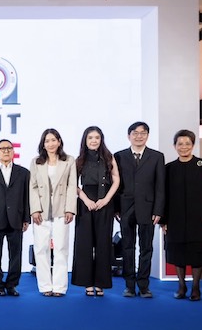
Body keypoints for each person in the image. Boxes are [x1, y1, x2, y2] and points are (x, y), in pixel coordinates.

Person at [162, 129, 202, 301]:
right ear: (174, 146)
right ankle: (181, 286)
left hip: (199, 217)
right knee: (178, 253)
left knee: (197, 253)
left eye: (187, 143)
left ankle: (196, 288)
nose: (184, 147)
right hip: (174, 218)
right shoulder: (169, 168)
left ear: (193, 145)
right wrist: (163, 220)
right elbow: (164, 196)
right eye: (180, 144)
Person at [114, 121, 165, 298]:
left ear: (147, 136)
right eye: (135, 133)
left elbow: (160, 186)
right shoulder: (119, 156)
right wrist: (116, 208)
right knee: (127, 247)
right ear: (129, 136)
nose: (139, 136)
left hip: (148, 208)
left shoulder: (157, 157)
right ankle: (129, 285)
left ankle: (144, 286)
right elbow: (115, 184)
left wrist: (158, 210)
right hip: (125, 208)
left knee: (146, 248)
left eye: (143, 133)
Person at [71, 126, 120, 297]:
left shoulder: (109, 157)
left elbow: (116, 179)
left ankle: (101, 283)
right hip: (86, 203)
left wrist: (106, 199)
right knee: (84, 243)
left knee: (103, 243)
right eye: (90, 137)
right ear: (85, 140)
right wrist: (85, 200)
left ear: (101, 139)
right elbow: (73, 184)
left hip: (105, 202)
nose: (94, 141)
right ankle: (87, 283)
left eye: (97, 137)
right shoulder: (79, 160)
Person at [29, 128, 77, 297]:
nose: (50, 144)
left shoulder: (69, 160)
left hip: (61, 209)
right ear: (43, 144)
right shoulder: (36, 162)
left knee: (61, 248)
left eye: (53, 140)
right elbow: (33, 187)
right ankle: (45, 286)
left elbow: (72, 185)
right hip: (41, 210)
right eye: (47, 141)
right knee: (41, 248)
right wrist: (35, 209)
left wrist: (70, 208)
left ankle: (59, 287)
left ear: (59, 141)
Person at [0, 139, 29, 297]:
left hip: (16, 218)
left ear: (14, 151)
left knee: (16, 254)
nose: (6, 151)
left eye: (9, 148)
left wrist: (26, 218)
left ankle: (12, 285)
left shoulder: (23, 173)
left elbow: (26, 197)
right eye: (2, 149)